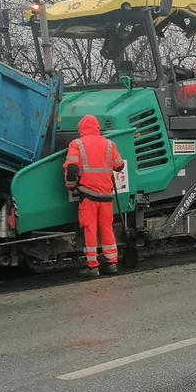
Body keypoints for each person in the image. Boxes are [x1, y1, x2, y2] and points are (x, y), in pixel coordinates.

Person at [63, 115, 126, 278]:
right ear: (98, 128)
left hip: (88, 195)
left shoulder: (76, 144)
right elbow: (119, 165)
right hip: (106, 195)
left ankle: (93, 267)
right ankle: (111, 263)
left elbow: (71, 168)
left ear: (81, 129)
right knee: (106, 227)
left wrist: (71, 185)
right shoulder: (110, 144)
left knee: (90, 228)